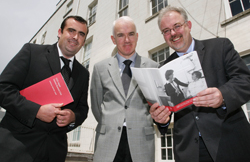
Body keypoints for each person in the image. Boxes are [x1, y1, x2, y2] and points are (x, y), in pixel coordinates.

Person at [150, 5, 250, 162]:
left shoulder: (220, 47)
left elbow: (245, 80)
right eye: (166, 31)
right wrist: (160, 119)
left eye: (177, 26)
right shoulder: (162, 70)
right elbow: (166, 107)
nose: (173, 33)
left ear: (188, 26)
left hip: (229, 143)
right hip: (189, 152)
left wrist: (223, 96)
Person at [0, 16, 90, 162]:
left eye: (81, 34)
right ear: (60, 32)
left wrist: (73, 117)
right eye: (71, 31)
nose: (75, 37)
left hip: (53, 153)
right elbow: (3, 89)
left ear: (84, 41)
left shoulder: (83, 73)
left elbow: (83, 109)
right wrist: (36, 111)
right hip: (16, 148)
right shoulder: (32, 51)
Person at [90, 16, 158, 162]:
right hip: (108, 141)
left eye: (131, 34)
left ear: (137, 36)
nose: (127, 40)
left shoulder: (153, 67)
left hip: (141, 142)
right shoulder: (100, 68)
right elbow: (96, 106)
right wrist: (110, 122)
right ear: (113, 39)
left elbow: (157, 104)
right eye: (120, 35)